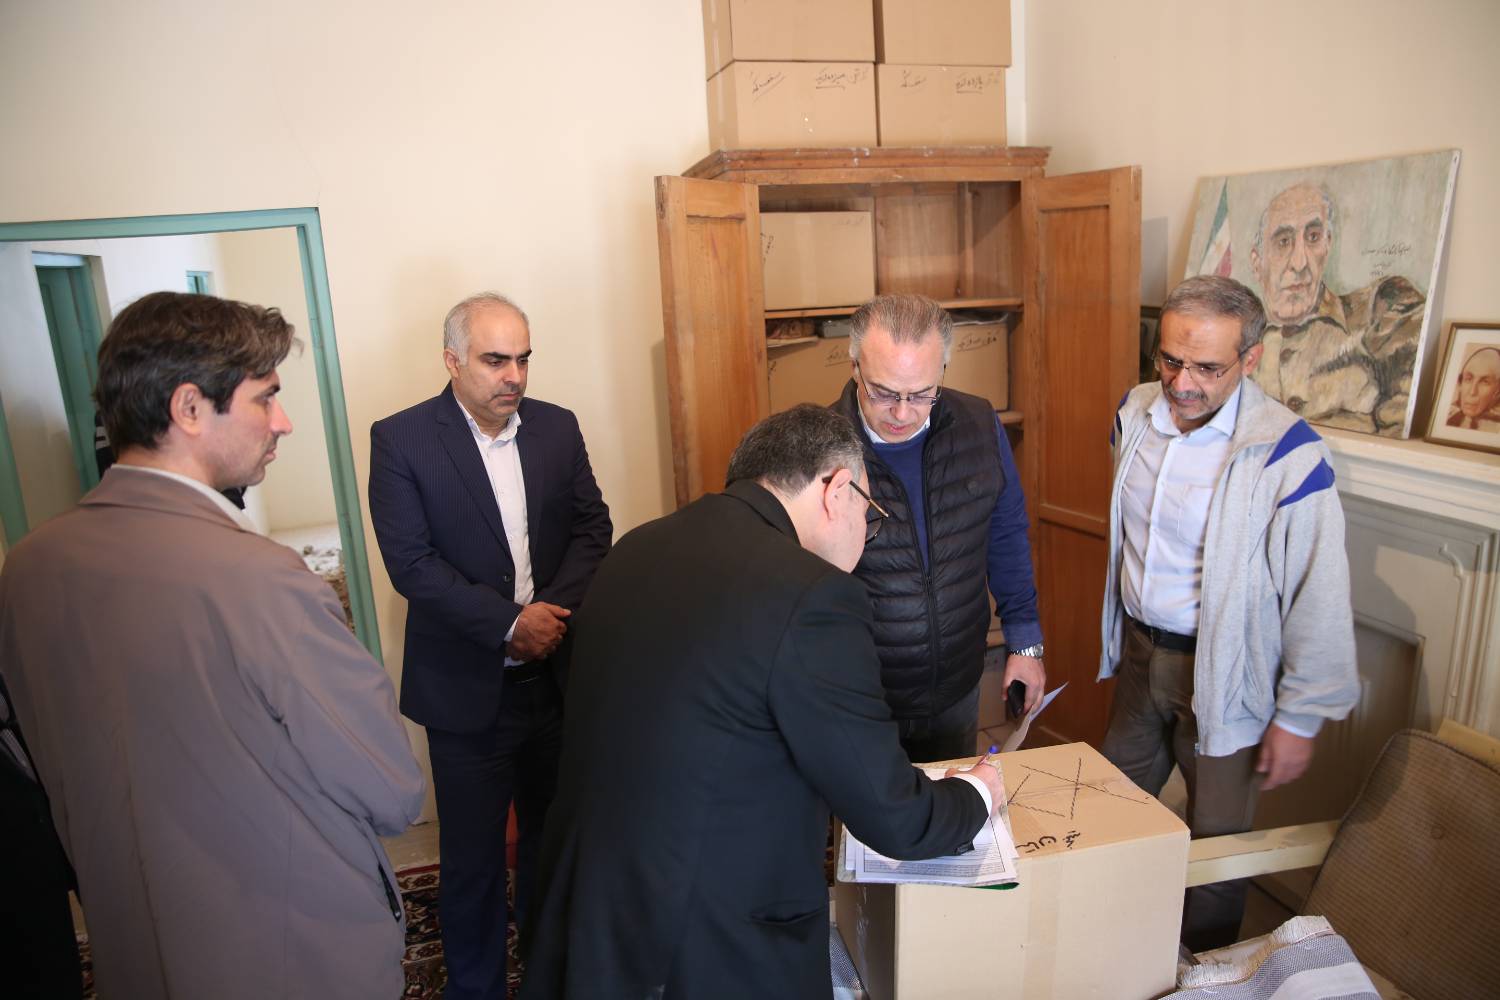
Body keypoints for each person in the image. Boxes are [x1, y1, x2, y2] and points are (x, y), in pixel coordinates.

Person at [0, 291, 426, 999]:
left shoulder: (29, 567)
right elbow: (390, 790)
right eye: (266, 398)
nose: (283, 422)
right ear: (190, 408)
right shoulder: (261, 580)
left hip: (134, 944)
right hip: (292, 954)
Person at [520, 404, 1000, 1000]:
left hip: (590, 912)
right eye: (869, 516)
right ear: (837, 490)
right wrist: (976, 794)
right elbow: (894, 818)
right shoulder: (813, 595)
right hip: (703, 944)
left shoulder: (637, 547)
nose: (865, 535)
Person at [1097, 275, 1359, 950]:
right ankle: (1109, 943)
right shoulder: (1134, 411)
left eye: (1207, 368)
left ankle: (1206, 974)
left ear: (1251, 358)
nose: (1182, 383)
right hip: (1140, 656)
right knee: (1104, 810)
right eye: (1170, 359)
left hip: (1224, 672)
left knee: (1217, 849)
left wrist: (1300, 717)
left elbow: (1319, 591)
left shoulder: (1289, 453)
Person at [367, 291, 611, 999]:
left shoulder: (557, 428)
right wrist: (510, 623)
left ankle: (547, 973)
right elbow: (412, 565)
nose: (515, 376)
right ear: (452, 360)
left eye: (524, 359)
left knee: (552, 844)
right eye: (496, 360)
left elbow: (594, 528)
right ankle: (475, 988)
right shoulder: (403, 439)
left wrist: (548, 618)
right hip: (467, 693)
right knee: (472, 862)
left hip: (557, 680)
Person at [829, 293, 1044, 763]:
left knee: (949, 802)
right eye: (884, 392)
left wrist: (1025, 643)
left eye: (922, 393)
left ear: (943, 370)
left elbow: (1006, 536)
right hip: (858, 701)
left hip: (955, 692)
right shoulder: (819, 449)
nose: (903, 413)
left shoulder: (980, 425)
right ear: (854, 367)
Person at [1248, 182, 1426, 436]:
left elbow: (1401, 432)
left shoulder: (1380, 307)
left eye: (1313, 238)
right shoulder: (1238, 342)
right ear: (1257, 264)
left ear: (1327, 246)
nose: (1299, 262)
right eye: (1283, 241)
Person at [1444, 346, 1500, 431]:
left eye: (1485, 382)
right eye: (1468, 379)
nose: (1472, 392)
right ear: (1460, 384)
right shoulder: (1447, 416)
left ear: (1498, 392)